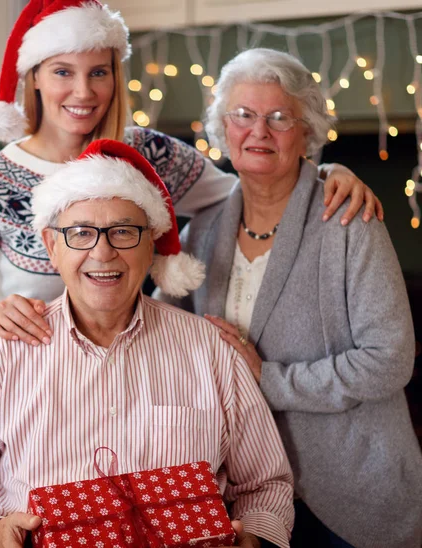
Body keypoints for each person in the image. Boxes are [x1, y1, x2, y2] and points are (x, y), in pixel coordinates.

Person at [0, 0, 382, 435]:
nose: (83, 92)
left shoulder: (149, 155)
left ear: (115, 77)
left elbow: (252, 189)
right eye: (62, 72)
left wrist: (325, 172)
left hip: (96, 410)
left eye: (99, 73)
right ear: (33, 77)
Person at [0, 139, 295, 548]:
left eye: (123, 232)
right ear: (52, 245)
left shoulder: (209, 350)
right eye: (81, 233)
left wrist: (256, 536)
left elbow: (267, 485)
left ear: (151, 242)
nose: (102, 253)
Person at [160, 48, 422, 548]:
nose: (258, 130)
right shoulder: (202, 230)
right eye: (243, 115)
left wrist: (269, 379)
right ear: (222, 127)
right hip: (243, 498)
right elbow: (159, 329)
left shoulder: (349, 221)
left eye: (279, 117)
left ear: (307, 132)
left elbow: (389, 360)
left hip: (352, 494)